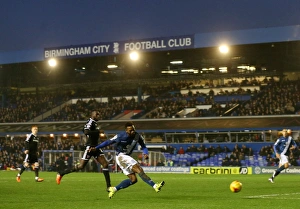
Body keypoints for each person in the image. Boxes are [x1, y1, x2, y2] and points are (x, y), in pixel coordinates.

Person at [94, 121, 165, 199]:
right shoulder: (120, 136)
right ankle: (155, 186)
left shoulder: (137, 136)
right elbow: (108, 142)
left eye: (133, 129)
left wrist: (145, 153)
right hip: (121, 156)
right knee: (139, 169)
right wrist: (96, 148)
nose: (132, 131)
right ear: (126, 131)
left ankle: (114, 189)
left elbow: (143, 146)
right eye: (130, 130)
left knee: (133, 180)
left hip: (125, 157)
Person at [56, 110, 111, 191]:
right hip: (90, 147)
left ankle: (109, 187)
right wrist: (98, 131)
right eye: (97, 114)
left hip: (96, 147)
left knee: (105, 164)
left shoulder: (94, 123)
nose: (99, 115)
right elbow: (85, 131)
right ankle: (61, 173)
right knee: (81, 166)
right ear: (92, 115)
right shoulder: (90, 122)